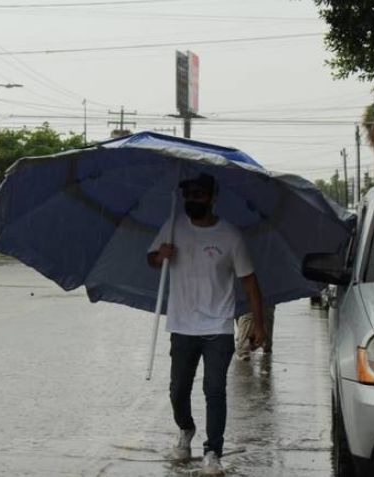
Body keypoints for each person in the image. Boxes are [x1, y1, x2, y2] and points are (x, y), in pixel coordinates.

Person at [147, 172, 266, 476]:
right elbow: (151, 259)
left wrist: (259, 325)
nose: (192, 200)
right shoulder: (172, 226)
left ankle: (213, 451)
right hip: (182, 325)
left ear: (213, 198)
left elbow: (250, 283)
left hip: (218, 327)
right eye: (188, 195)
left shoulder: (230, 236)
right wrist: (160, 255)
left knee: (214, 389)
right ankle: (185, 430)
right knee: (177, 391)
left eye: (199, 195)